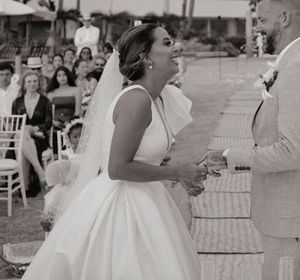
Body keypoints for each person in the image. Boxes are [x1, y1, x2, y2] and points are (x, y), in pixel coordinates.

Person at [23, 23, 209, 280]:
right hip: (122, 208)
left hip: (147, 198)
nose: (177, 47)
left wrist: (181, 174)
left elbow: (141, 158)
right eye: (166, 43)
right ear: (145, 58)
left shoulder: (156, 97)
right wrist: (177, 172)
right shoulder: (137, 99)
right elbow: (118, 167)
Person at [206, 0, 300, 280]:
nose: (258, 28)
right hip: (290, 206)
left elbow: (292, 152)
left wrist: (229, 156)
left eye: (262, 20)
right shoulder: (295, 61)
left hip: (297, 209)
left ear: (284, 18)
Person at [10, 70, 52, 196]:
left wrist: (33, 129)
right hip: (22, 137)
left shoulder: (45, 101)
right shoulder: (17, 102)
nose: (32, 84)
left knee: (22, 141)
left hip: (39, 138)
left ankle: (25, 187)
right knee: (22, 137)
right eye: (29, 81)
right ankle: (39, 172)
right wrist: (26, 129)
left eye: (35, 81)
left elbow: (48, 123)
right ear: (24, 84)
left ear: (39, 84)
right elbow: (14, 124)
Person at [46, 66, 81, 132]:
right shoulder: (51, 93)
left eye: (64, 74)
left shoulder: (76, 90)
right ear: (56, 78)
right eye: (59, 75)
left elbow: (77, 112)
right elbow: (48, 114)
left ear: (68, 76)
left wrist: (69, 122)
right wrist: (53, 122)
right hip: (55, 124)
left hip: (72, 124)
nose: (62, 77)